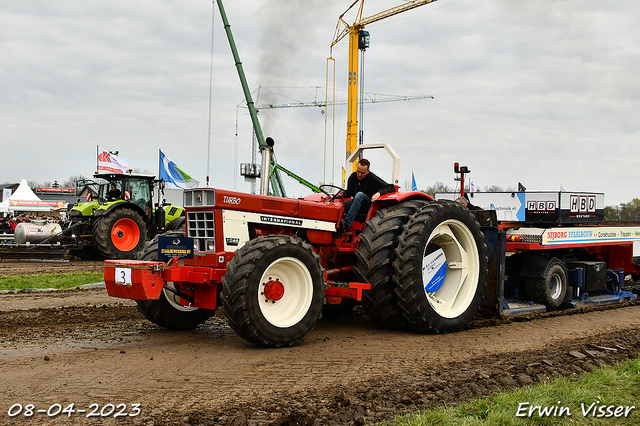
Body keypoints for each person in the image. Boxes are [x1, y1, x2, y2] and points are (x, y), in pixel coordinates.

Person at [339, 158, 396, 231]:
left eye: (362, 173)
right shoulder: (353, 177)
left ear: (368, 171)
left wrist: (379, 193)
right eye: (358, 171)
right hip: (356, 205)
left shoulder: (372, 178)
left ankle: (346, 224)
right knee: (340, 205)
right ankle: (334, 228)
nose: (359, 175)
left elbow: (391, 187)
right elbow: (349, 192)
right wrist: (344, 193)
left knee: (360, 195)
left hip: (368, 207)